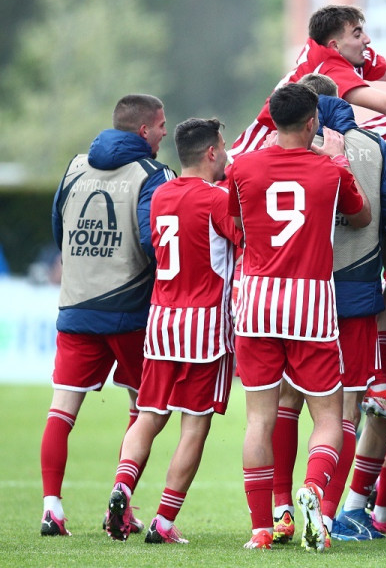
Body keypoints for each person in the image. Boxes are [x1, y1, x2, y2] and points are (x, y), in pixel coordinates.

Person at [268, 74, 386, 543]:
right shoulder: (371, 147)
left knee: (287, 404)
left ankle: (280, 509)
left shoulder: (282, 148)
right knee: (346, 406)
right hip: (353, 294)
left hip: (292, 294)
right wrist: (378, 252)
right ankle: (331, 514)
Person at [228, 82, 372, 550]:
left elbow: (236, 223)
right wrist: (338, 157)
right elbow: (362, 216)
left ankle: (262, 528)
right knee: (329, 416)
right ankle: (312, 490)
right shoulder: (329, 171)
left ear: (271, 121)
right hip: (311, 305)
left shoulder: (242, 167)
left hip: (256, 303)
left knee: (259, 419)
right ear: (313, 122)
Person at [103, 118, 242, 544]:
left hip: (162, 321)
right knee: (194, 425)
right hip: (205, 326)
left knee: (149, 415)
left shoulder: (161, 194)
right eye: (223, 147)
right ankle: (163, 521)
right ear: (212, 153)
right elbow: (247, 240)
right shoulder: (217, 199)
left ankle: (122, 487)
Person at [41, 94, 172, 537]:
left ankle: (52, 508)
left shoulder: (76, 166)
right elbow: (155, 243)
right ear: (143, 131)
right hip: (132, 312)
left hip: (76, 306)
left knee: (61, 410)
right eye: (160, 126)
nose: (164, 133)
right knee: (144, 408)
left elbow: (59, 228)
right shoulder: (152, 174)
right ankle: (123, 496)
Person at [231, 4, 386, 157]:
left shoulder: (343, 53)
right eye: (357, 34)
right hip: (260, 148)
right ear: (335, 45)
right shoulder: (330, 68)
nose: (367, 39)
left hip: (295, 143)